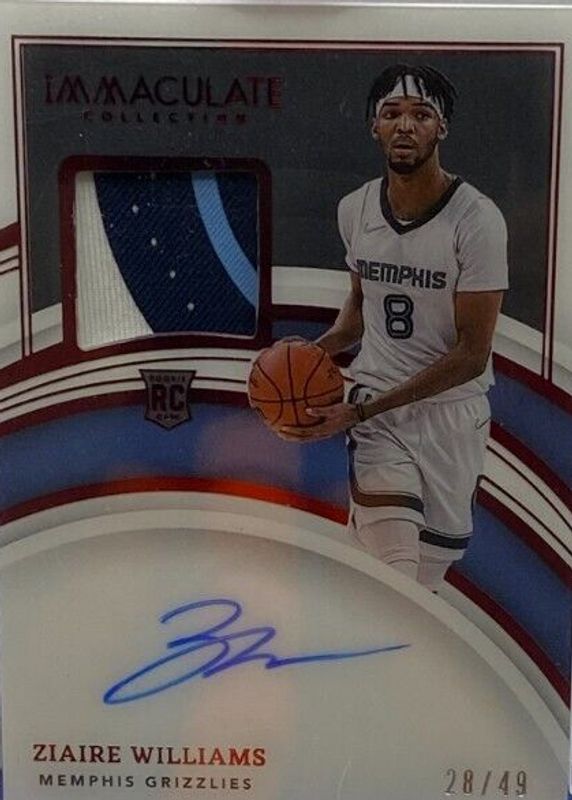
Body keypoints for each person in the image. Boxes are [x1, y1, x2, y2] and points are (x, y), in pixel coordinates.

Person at [281, 64, 508, 592]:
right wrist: (304, 359)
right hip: (378, 413)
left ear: (441, 127)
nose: (405, 124)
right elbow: (360, 311)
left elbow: (472, 354)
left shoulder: (477, 220)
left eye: (421, 114)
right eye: (392, 113)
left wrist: (361, 410)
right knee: (395, 576)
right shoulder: (355, 209)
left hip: (453, 415)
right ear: (375, 126)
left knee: (419, 590)